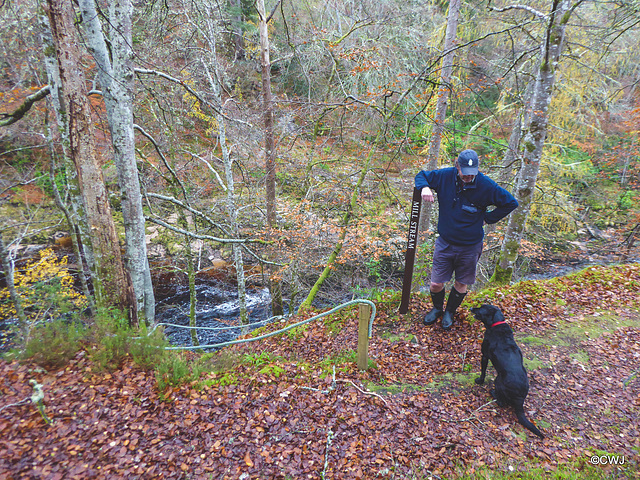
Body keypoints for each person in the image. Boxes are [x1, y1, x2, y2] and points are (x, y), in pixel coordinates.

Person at [415, 149, 518, 330]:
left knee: (461, 282)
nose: (469, 177)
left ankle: (450, 312)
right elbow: (421, 175)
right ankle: (437, 308)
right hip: (445, 242)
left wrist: (488, 218)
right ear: (457, 167)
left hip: (470, 246)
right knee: (436, 283)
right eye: (465, 173)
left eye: (473, 173)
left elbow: (510, 202)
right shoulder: (445, 176)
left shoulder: (486, 185)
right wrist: (424, 187)